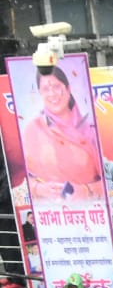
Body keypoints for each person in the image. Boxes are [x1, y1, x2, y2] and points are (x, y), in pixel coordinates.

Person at [20, 64, 105, 202]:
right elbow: (20, 183)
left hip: (93, 212)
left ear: (68, 88)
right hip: (51, 216)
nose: (52, 94)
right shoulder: (33, 129)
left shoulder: (91, 128)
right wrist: (38, 188)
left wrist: (87, 191)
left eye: (57, 86)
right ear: (40, 93)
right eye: (46, 89)